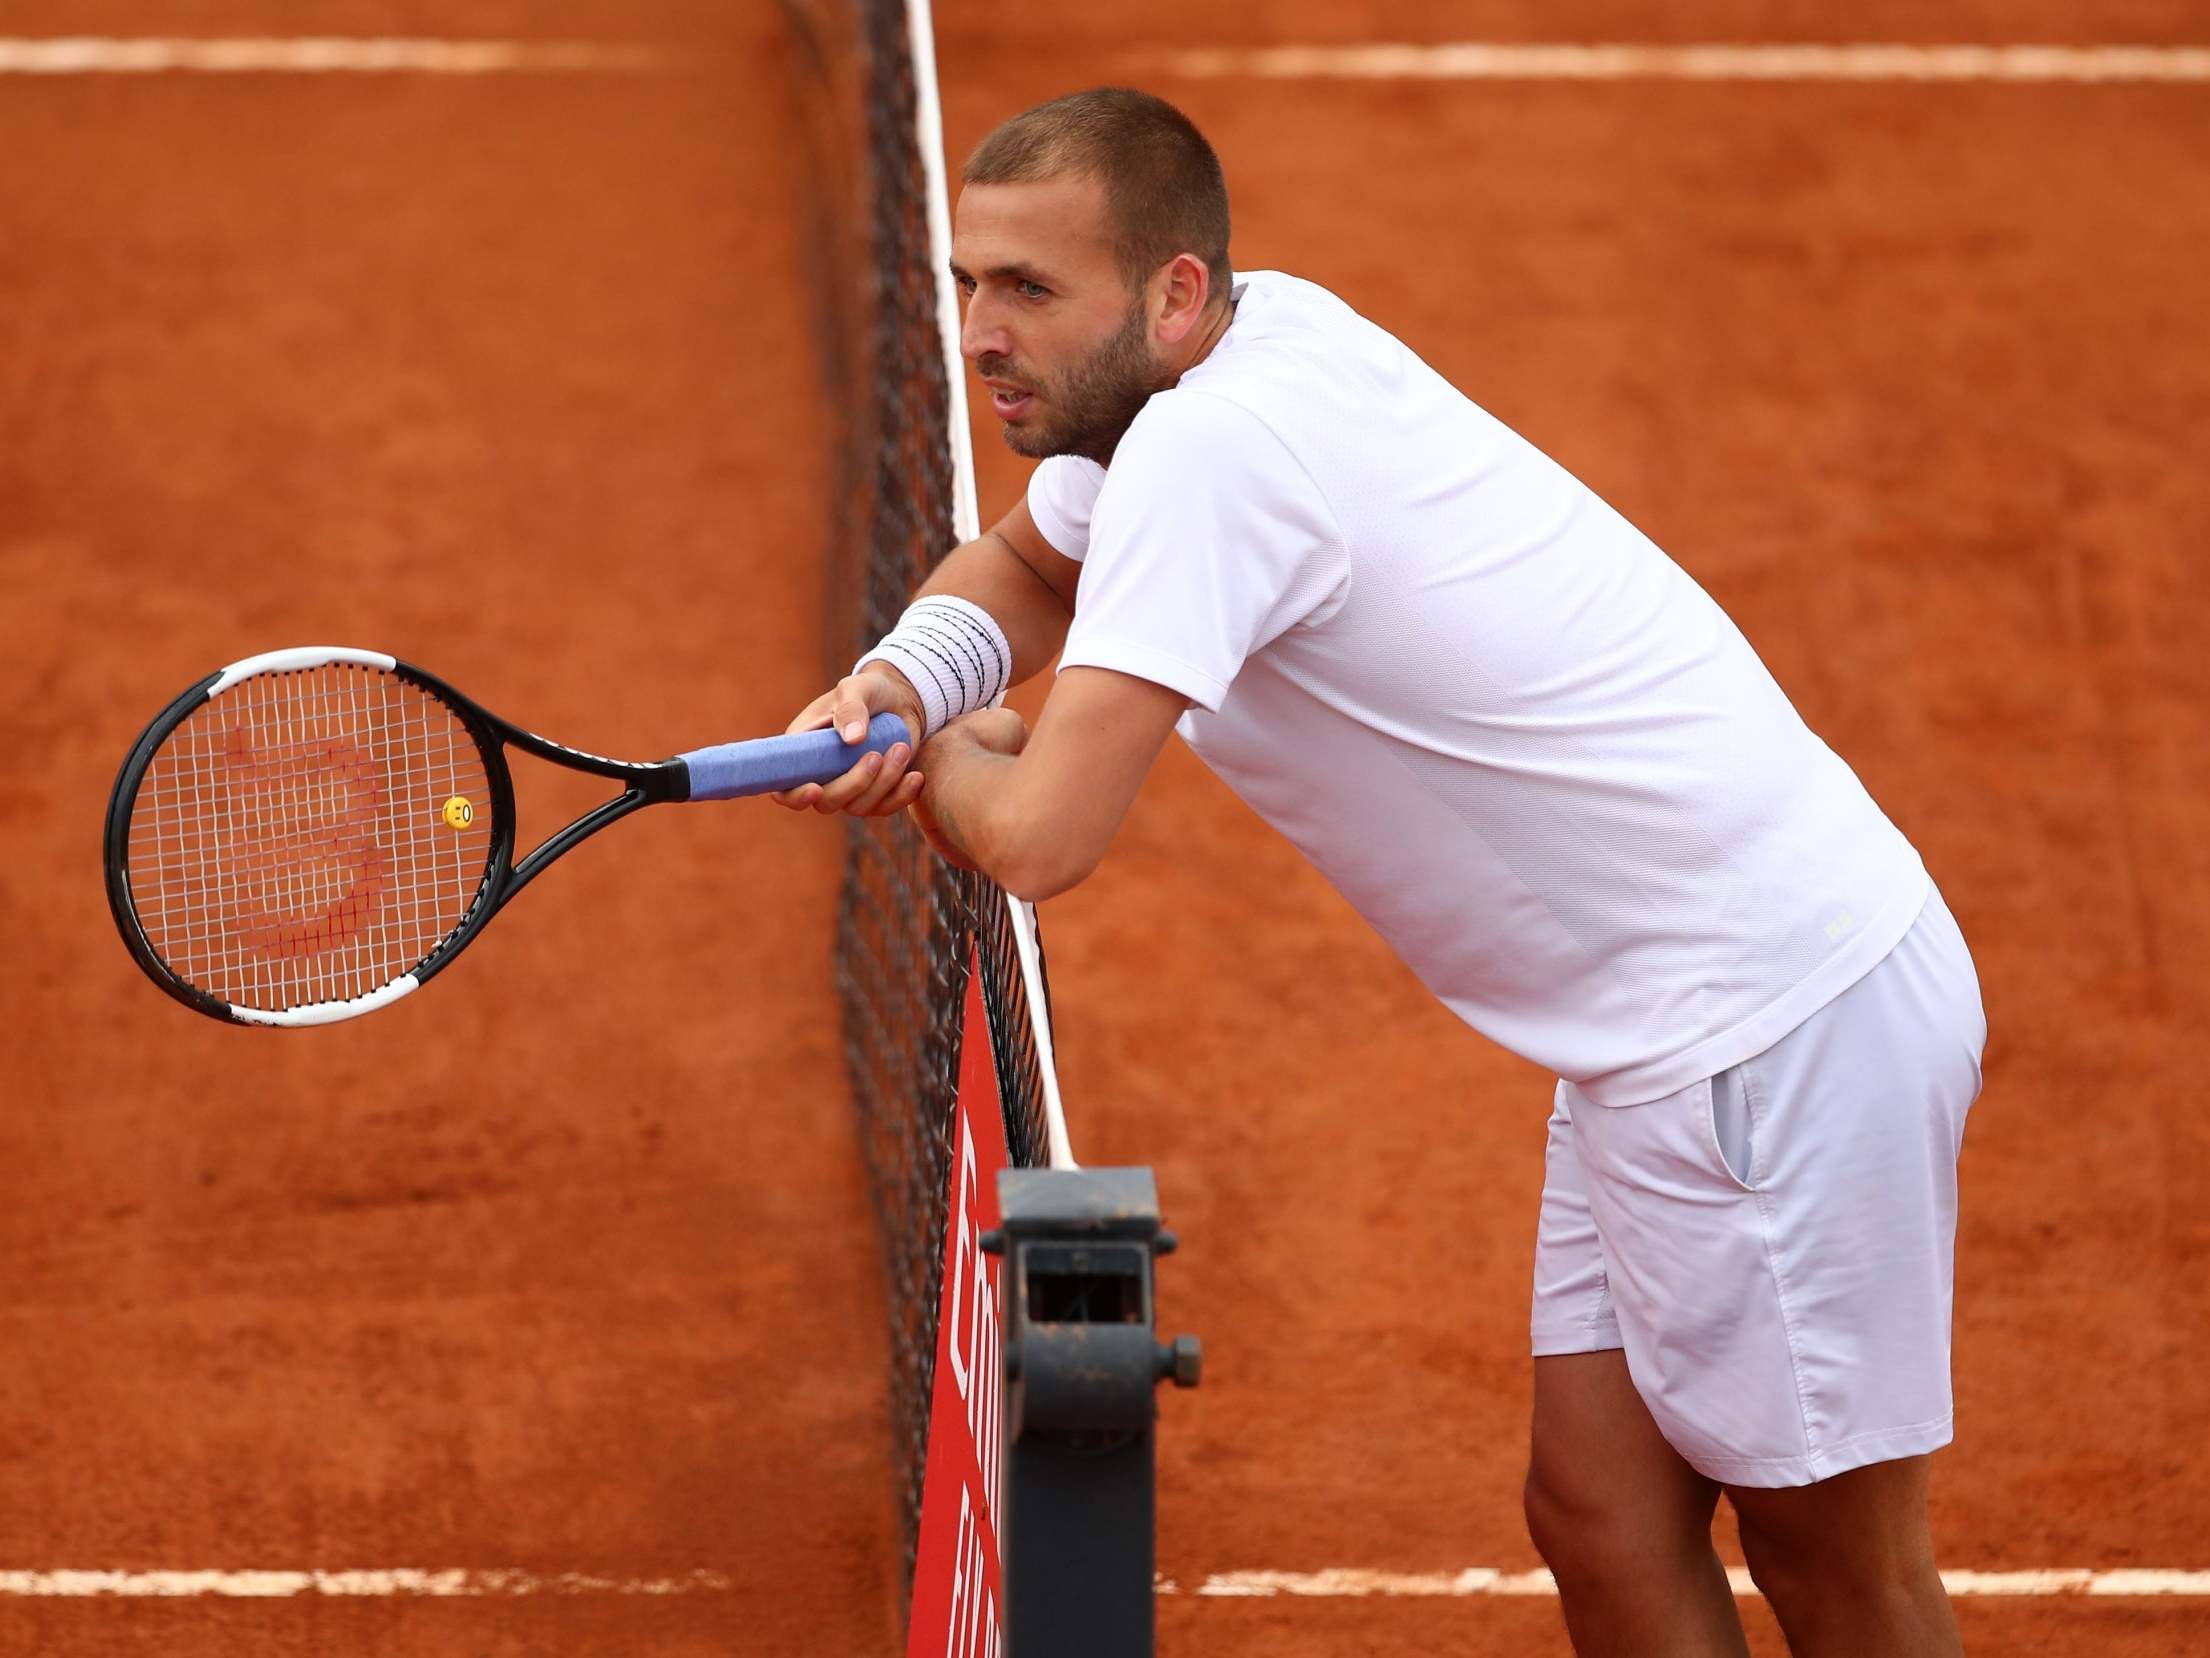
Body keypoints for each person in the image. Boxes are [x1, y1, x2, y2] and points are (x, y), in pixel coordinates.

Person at [776, 87, 1986, 1658]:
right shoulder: (1219, 360)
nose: (985, 333)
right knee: (1602, 1520)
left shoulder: (1215, 453)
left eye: (1030, 291)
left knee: (1841, 1572)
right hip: (1665, 1038)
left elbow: (1039, 839)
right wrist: (903, 682)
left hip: (1766, 1031)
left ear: (1173, 292)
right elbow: (1020, 567)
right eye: (970, 286)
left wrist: (936, 756)